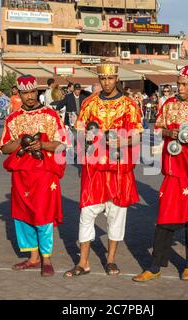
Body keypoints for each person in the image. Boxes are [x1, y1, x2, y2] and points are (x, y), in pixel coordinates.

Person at [133, 66, 188, 282]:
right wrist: (169, 132)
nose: (179, 87)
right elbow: (157, 128)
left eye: (183, 84)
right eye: (178, 83)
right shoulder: (170, 105)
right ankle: (155, 266)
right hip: (174, 172)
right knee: (165, 218)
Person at [64, 63, 143, 278]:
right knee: (87, 213)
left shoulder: (129, 104)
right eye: (103, 79)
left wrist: (122, 143)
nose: (106, 83)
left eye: (110, 79)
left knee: (116, 215)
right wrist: (86, 139)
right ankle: (83, 262)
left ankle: (110, 260)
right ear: (99, 79)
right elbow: (79, 131)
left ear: (116, 78)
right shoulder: (89, 103)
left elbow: (137, 134)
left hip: (119, 168)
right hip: (94, 169)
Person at [0, 75, 67, 277]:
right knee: (22, 217)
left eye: (32, 92)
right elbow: (4, 148)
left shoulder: (50, 115)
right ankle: (33, 257)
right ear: (18, 94)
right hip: (21, 175)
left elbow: (62, 143)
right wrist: (20, 141)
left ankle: (46, 258)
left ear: (37, 91)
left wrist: (42, 145)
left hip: (44, 174)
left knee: (43, 215)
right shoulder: (12, 119)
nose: (29, 96)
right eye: (25, 92)